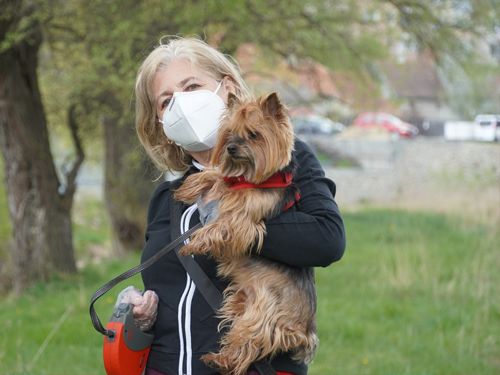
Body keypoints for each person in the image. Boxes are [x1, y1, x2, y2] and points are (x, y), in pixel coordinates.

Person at [119, 36, 346, 375]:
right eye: (166, 101)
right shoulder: (167, 198)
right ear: (161, 124)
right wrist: (142, 310)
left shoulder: (288, 168)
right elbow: (168, 289)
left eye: (192, 86)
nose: (181, 104)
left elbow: (328, 240)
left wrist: (235, 221)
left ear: (226, 89)